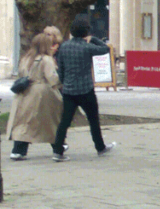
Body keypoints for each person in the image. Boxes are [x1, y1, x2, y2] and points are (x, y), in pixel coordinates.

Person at [51, 14, 117, 161]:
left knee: (65, 121)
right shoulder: (87, 47)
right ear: (85, 32)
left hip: (69, 90)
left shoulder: (64, 47)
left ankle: (57, 150)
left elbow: (60, 69)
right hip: (86, 89)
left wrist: (64, 82)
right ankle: (100, 147)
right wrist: (93, 38)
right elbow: (105, 49)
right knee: (93, 120)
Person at [6, 33, 63, 160]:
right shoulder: (46, 59)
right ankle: (58, 146)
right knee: (50, 121)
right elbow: (52, 78)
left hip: (25, 92)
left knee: (23, 122)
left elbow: (20, 74)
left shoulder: (26, 58)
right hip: (42, 93)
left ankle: (18, 150)